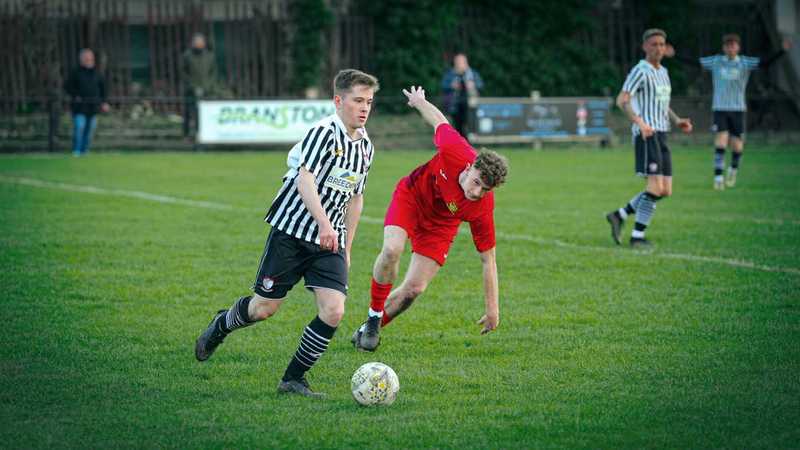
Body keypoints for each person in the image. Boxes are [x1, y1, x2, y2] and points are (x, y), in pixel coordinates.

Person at [195, 69, 379, 398]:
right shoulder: (323, 133)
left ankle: (293, 379)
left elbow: (356, 197)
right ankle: (220, 325)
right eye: (358, 101)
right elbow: (304, 180)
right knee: (263, 308)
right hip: (292, 233)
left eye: (369, 102)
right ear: (339, 101)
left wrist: (347, 247)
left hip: (330, 241)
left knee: (334, 310)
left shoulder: (365, 147)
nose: (364, 108)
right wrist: (323, 222)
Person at [351, 85, 508, 353]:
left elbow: (488, 259)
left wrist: (492, 309)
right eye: (477, 182)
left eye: (485, 189)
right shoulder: (454, 149)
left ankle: (368, 327)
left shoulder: (482, 206)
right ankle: (374, 318)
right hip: (412, 198)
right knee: (392, 250)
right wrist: (419, 101)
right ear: (470, 167)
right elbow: (439, 121)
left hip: (441, 225)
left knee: (414, 289)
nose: (476, 192)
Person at [666, 35, 792, 190]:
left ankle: (732, 170)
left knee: (737, 145)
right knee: (721, 139)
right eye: (728, 45)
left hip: (738, 109)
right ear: (724, 48)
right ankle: (718, 177)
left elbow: (765, 63)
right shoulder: (717, 61)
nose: (730, 48)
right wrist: (675, 55)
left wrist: (782, 51)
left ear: (738, 47)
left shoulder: (745, 62)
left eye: (733, 45)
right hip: (720, 108)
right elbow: (695, 62)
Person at [605, 29, 693, 248]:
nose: (658, 48)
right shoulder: (640, 70)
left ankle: (619, 215)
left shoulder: (663, 71)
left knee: (666, 190)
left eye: (662, 44)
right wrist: (640, 123)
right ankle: (637, 237)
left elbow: (662, 103)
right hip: (647, 134)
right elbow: (622, 100)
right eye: (654, 44)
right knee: (654, 187)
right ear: (645, 47)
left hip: (662, 133)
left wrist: (677, 120)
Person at [63, 49, 109, 156]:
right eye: (86, 58)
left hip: (93, 107)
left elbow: (103, 89)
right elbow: (67, 87)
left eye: (90, 57)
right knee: (79, 127)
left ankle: (85, 151)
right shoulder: (75, 73)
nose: (89, 60)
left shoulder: (97, 73)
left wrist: (104, 102)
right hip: (79, 107)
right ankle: (76, 150)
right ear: (81, 59)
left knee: (89, 131)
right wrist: (76, 96)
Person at [182, 33, 219, 139]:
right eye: (196, 42)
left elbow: (213, 73)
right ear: (193, 43)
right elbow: (184, 73)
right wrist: (193, 87)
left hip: (207, 90)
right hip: (191, 90)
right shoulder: (187, 56)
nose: (199, 44)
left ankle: (203, 134)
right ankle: (186, 135)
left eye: (200, 42)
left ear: (204, 43)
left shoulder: (210, 56)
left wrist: (208, 86)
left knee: (205, 115)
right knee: (189, 113)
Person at [441, 53, 483, 137]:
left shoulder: (472, 74)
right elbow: (443, 85)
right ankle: (461, 142)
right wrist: (451, 86)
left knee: (469, 124)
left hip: (470, 105)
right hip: (455, 104)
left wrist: (472, 85)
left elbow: (480, 85)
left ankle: (471, 139)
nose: (460, 64)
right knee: (458, 126)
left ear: (466, 62)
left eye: (462, 61)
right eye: (458, 62)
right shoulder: (450, 74)